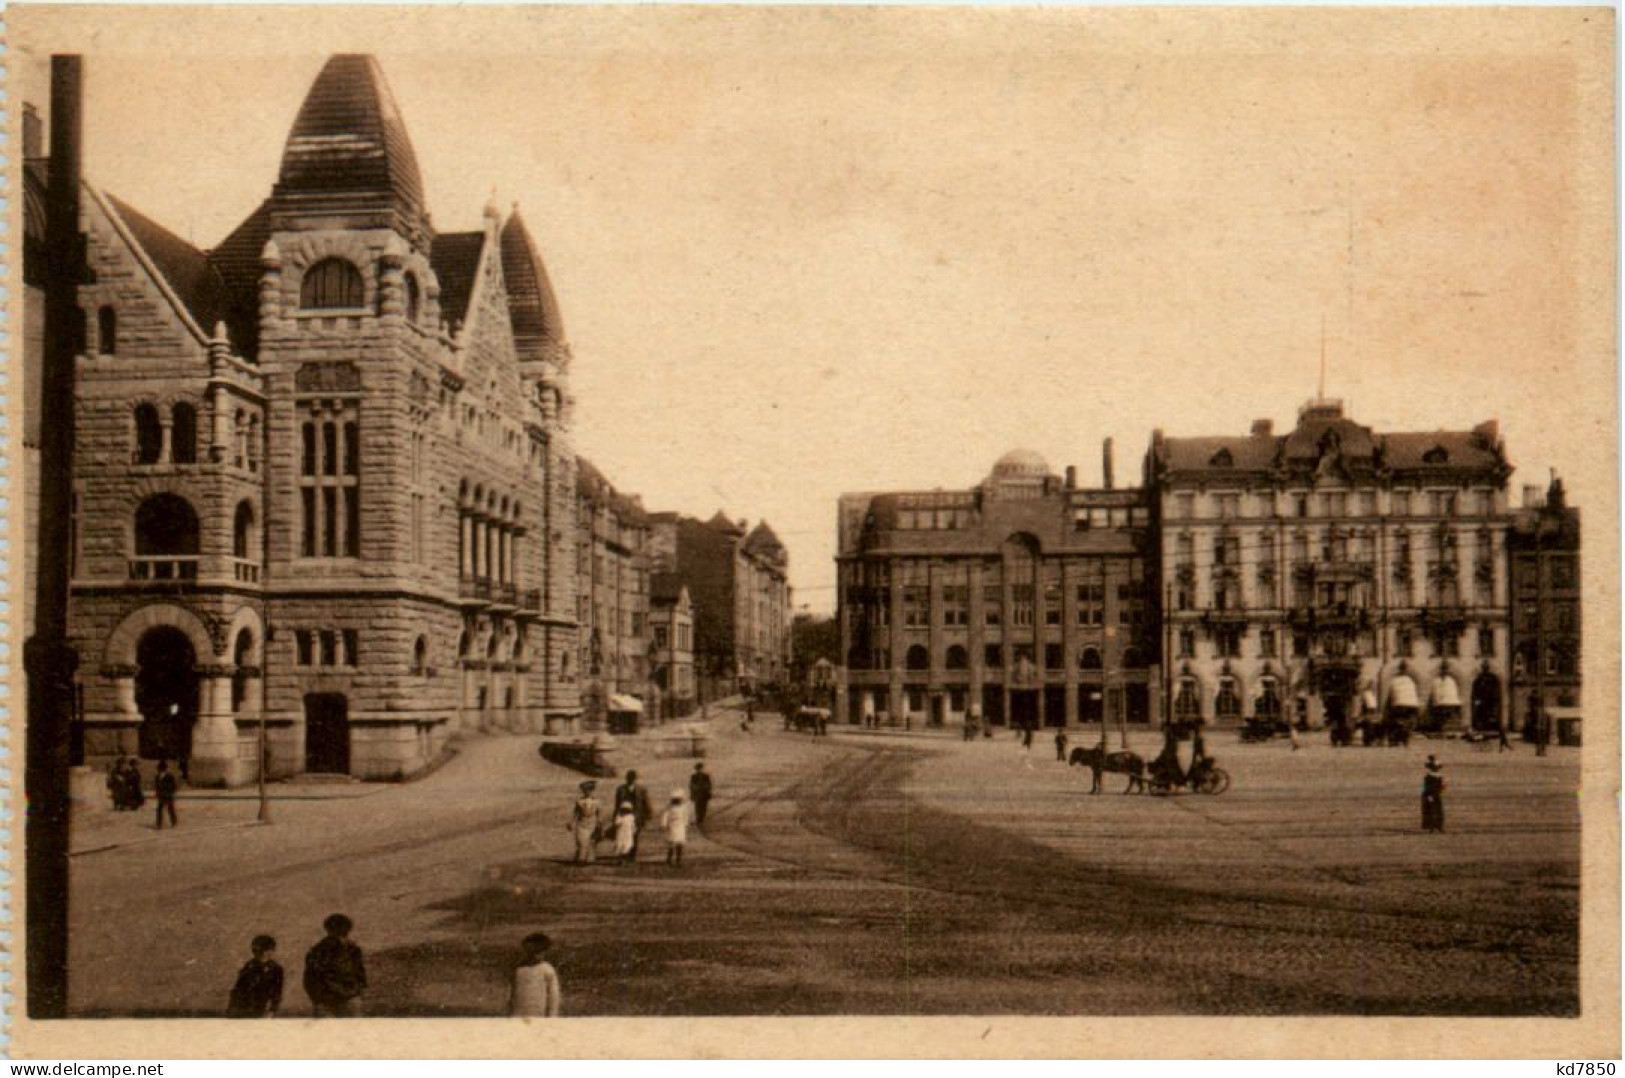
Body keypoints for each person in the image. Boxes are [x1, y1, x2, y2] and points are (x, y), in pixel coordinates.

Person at [304, 913, 367, 1017]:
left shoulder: (316, 950)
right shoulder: (352, 949)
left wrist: (317, 998)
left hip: (336, 1000)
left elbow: (309, 979)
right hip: (339, 999)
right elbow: (360, 975)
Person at [227, 935, 285, 1018]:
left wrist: (272, 1009)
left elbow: (277, 992)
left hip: (261, 1010)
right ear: (256, 951)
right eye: (265, 950)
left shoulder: (276, 969)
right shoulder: (249, 968)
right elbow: (239, 991)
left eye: (270, 950)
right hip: (244, 1010)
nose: (268, 953)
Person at [507, 932, 561, 1017]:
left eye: (538, 952)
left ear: (544, 952)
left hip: (539, 1016)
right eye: (530, 952)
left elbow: (553, 998)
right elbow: (511, 994)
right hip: (518, 1015)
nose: (534, 955)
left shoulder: (547, 970)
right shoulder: (519, 969)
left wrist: (552, 1017)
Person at [614, 770, 654, 858]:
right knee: (623, 835)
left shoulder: (641, 789)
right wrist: (615, 816)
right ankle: (625, 853)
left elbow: (646, 802)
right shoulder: (620, 789)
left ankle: (632, 854)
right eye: (629, 778)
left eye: (633, 778)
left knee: (634, 835)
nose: (631, 780)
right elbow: (617, 804)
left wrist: (649, 813)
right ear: (626, 778)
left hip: (638, 816)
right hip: (624, 815)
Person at [569, 780, 601, 864]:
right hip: (581, 824)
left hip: (592, 824)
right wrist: (571, 822)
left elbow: (599, 814)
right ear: (583, 791)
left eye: (590, 790)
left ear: (592, 790)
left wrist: (599, 824)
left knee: (591, 843)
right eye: (586, 790)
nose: (588, 792)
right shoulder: (579, 801)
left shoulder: (597, 802)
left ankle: (588, 858)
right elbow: (575, 813)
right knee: (581, 842)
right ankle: (580, 858)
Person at [661, 789, 691, 866]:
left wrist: (686, 824)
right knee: (671, 843)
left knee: (680, 843)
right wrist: (664, 824)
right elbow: (665, 816)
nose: (677, 801)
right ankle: (669, 859)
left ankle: (678, 859)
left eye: (678, 799)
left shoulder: (684, 807)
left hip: (680, 827)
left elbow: (686, 816)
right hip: (672, 826)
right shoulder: (669, 807)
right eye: (675, 800)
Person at [1421, 756, 1446, 833]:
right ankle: (1432, 827)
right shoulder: (1429, 776)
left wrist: (1441, 789)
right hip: (1431, 795)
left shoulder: (1439, 776)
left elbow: (1442, 785)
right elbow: (1425, 787)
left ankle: (1439, 826)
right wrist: (1427, 795)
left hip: (1437, 794)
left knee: (1438, 811)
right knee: (1432, 811)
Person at [154, 759, 178, 829]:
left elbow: (174, 785)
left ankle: (174, 821)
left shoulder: (169, 776)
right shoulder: (157, 776)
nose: (159, 770)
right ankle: (159, 824)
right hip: (161, 795)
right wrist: (157, 792)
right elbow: (157, 785)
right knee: (159, 809)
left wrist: (171, 792)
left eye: (160, 768)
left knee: (170, 808)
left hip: (168, 794)